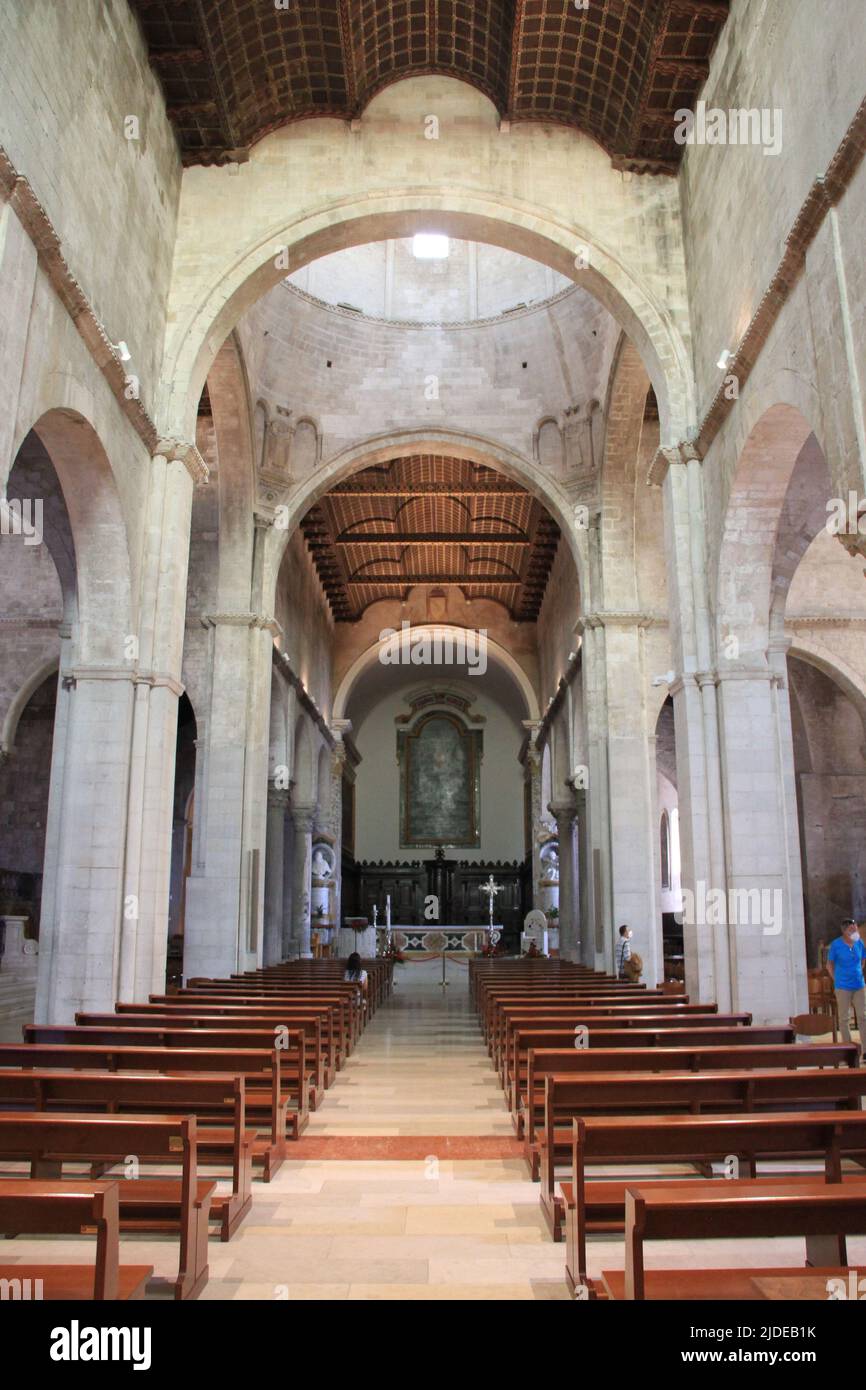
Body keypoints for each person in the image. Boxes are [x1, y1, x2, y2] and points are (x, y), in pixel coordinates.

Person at [826, 919, 866, 1057]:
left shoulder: (859, 942)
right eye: (852, 929)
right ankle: (849, 1051)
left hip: (859, 985)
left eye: (855, 928)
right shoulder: (836, 945)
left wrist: (858, 971)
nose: (855, 931)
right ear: (845, 931)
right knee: (844, 1018)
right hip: (843, 986)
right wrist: (836, 978)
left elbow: (863, 959)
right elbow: (829, 964)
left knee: (863, 1016)